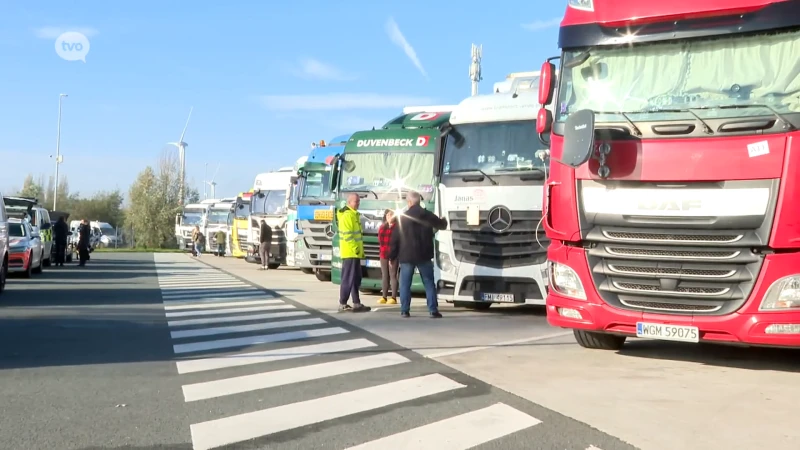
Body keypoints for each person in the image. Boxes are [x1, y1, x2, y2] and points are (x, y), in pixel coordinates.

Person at [389, 191, 448, 318]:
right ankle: (433, 310)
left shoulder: (403, 217)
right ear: (419, 201)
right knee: (428, 283)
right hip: (424, 255)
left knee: (405, 284)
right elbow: (442, 226)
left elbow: (395, 238)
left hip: (406, 256)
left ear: (409, 202)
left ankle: (405, 310)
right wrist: (444, 219)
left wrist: (392, 256)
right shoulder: (427, 215)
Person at [336, 193, 370, 312]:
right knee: (348, 278)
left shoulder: (353, 214)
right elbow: (348, 236)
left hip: (354, 253)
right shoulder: (347, 215)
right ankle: (343, 303)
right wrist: (356, 248)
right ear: (349, 202)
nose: (358, 203)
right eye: (356, 201)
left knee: (356, 278)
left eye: (359, 201)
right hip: (350, 252)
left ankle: (356, 302)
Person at [377, 209, 399, 305]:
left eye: (391, 215)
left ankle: (393, 297)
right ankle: (384, 297)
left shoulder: (397, 228)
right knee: (385, 275)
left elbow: (396, 243)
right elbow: (381, 241)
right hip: (383, 255)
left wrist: (392, 256)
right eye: (388, 215)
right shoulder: (382, 227)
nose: (389, 217)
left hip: (393, 255)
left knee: (393, 275)